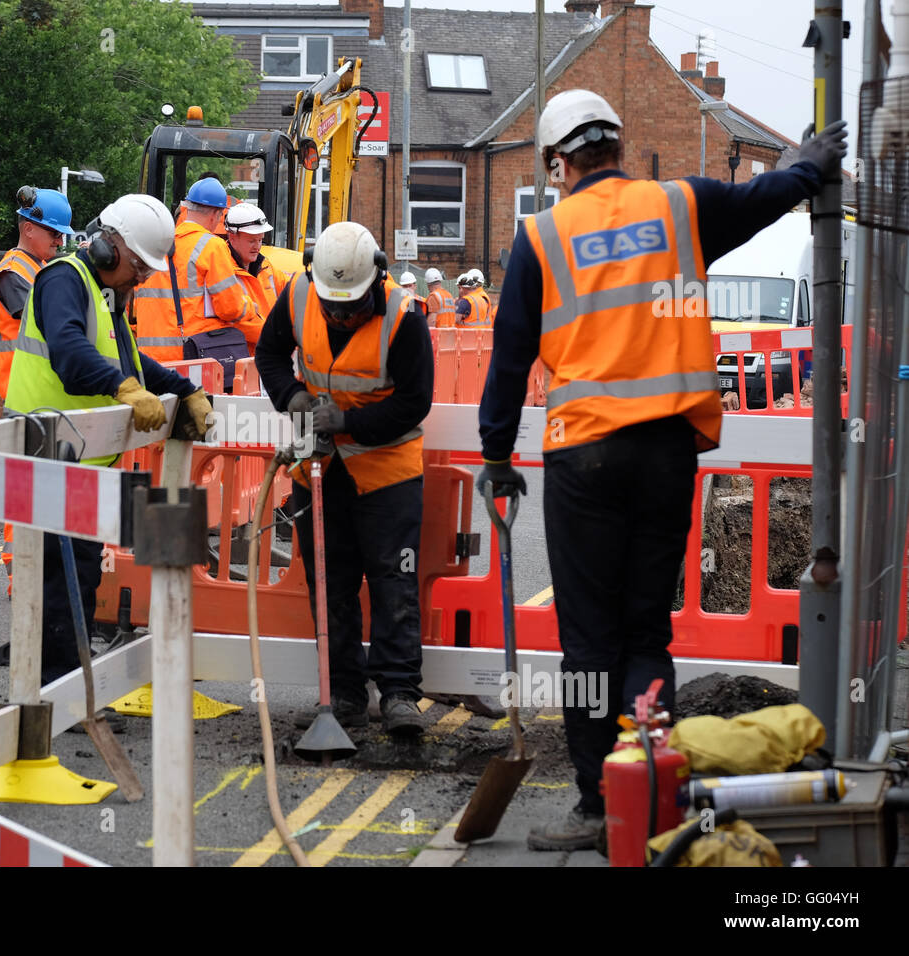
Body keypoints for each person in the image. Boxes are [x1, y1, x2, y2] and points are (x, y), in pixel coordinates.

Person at [476, 88, 848, 851]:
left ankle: (596, 804)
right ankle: (652, 785)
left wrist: (493, 454)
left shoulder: (542, 238)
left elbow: (509, 358)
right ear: (617, 143)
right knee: (646, 628)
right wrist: (811, 165)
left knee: (588, 642)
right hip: (668, 450)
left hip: (586, 454)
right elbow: (767, 195)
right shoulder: (682, 207)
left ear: (559, 160)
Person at [0, 194, 213, 680]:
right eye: (139, 267)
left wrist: (185, 390)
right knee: (62, 579)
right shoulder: (63, 279)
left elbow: (135, 363)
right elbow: (70, 353)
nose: (142, 278)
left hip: (79, 463)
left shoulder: (105, 294)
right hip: (47, 457)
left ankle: (66, 683)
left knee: (80, 575)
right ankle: (54, 691)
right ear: (109, 249)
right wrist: (123, 388)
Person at [255, 221, 434, 736]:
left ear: (375, 281)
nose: (340, 315)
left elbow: (414, 401)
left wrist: (348, 422)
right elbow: (269, 354)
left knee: (392, 583)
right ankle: (345, 694)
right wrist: (291, 397)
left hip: (387, 476)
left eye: (350, 307)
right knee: (329, 585)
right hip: (319, 472)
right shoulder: (298, 295)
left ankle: (399, 693)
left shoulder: (403, 318)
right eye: (333, 307)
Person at [0, 186, 74, 592]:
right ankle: (19, 572)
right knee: (24, 484)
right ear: (28, 228)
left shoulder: (38, 269)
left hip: (43, 391)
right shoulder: (12, 272)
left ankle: (37, 569)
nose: (60, 241)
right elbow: (41, 319)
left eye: (61, 236)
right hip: (22, 394)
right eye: (54, 234)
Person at [132, 177, 262, 363]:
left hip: (148, 359)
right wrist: (250, 306)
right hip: (190, 357)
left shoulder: (155, 245)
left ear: (188, 208)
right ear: (215, 214)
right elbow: (230, 308)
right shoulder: (211, 246)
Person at [223, 201, 287, 317]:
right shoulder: (222, 271)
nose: (257, 246)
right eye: (251, 241)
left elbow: (292, 290)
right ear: (232, 238)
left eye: (260, 240)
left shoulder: (266, 267)